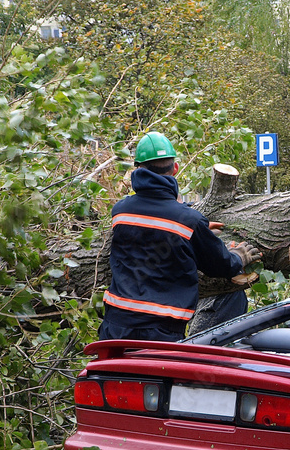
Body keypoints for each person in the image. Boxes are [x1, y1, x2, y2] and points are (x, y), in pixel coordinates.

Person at [99, 131, 261, 342]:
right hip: (161, 332)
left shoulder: (120, 212)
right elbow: (220, 266)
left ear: (137, 170)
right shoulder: (188, 221)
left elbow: (151, 225)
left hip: (115, 327)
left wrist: (191, 232)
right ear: (175, 168)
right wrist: (238, 256)